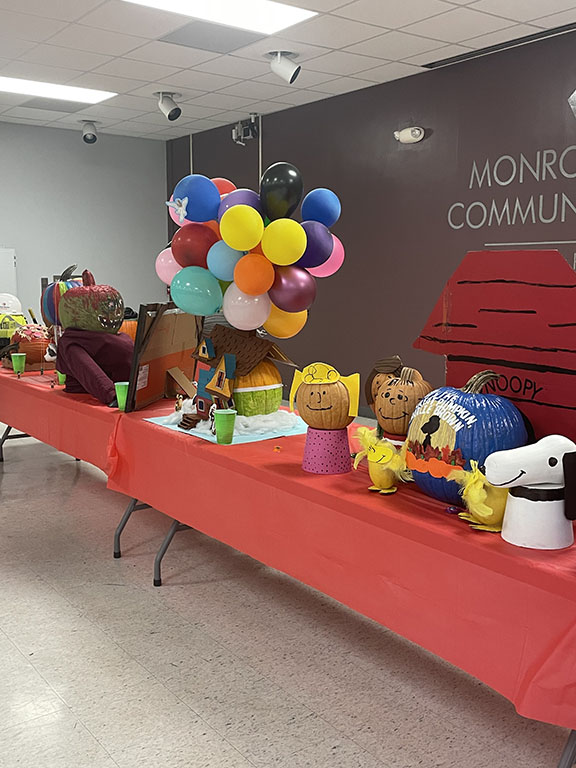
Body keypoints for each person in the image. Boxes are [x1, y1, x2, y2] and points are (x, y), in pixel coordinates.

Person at [56, 329, 134, 406]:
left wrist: (112, 394)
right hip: (129, 391)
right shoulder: (124, 338)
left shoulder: (69, 340)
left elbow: (87, 370)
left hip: (120, 394)